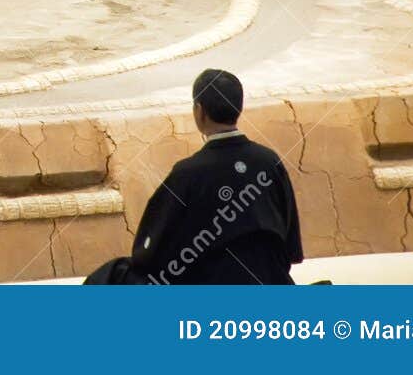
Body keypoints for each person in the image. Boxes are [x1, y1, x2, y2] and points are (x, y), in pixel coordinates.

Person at [86, 69, 302, 285]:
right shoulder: (268, 161)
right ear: (239, 107)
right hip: (269, 280)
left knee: (114, 275)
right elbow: (289, 242)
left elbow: (152, 252)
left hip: (210, 286)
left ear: (199, 111)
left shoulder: (187, 173)